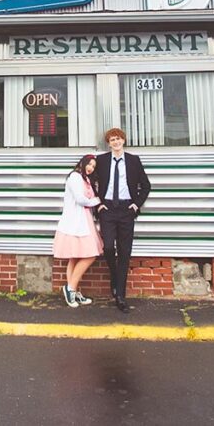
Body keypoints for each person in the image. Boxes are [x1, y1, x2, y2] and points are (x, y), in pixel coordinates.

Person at [93, 127, 151, 313]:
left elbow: (146, 185)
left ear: (123, 140)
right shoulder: (101, 160)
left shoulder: (133, 161)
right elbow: (89, 183)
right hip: (108, 209)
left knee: (125, 253)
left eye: (118, 139)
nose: (116, 142)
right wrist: (98, 204)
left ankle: (120, 296)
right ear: (108, 143)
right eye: (112, 140)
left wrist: (136, 204)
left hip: (126, 210)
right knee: (108, 247)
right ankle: (114, 275)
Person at [52, 154, 103, 307]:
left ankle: (72, 291)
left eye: (93, 166)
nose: (91, 168)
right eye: (89, 164)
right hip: (74, 222)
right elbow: (81, 200)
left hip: (83, 220)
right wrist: (98, 201)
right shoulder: (74, 177)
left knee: (75, 257)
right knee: (90, 255)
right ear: (82, 163)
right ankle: (71, 288)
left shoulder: (85, 179)